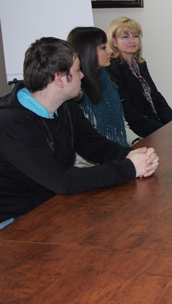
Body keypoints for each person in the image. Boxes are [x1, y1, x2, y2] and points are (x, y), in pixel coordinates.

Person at [0, 37, 159, 230]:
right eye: (77, 71)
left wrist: (134, 156)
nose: (83, 75)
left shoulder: (65, 107)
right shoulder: (13, 124)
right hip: (15, 222)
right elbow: (62, 181)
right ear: (59, 78)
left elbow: (95, 145)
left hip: (51, 206)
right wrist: (128, 168)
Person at [106, 17, 172, 139]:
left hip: (156, 124)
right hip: (138, 132)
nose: (132, 40)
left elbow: (156, 98)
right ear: (114, 41)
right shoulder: (112, 67)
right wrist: (164, 131)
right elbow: (129, 113)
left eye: (135, 36)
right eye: (125, 37)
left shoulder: (140, 64)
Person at [67, 26, 137, 147]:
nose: (110, 51)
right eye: (104, 48)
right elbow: (82, 144)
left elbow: (120, 122)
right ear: (88, 52)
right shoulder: (75, 91)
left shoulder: (106, 79)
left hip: (116, 150)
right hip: (94, 160)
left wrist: (135, 141)